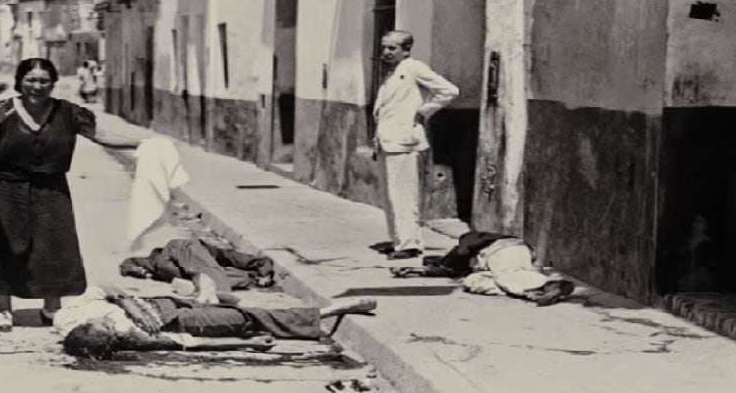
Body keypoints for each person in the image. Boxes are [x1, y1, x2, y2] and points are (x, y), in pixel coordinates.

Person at [0, 58, 142, 332]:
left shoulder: (68, 113)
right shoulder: (0, 108)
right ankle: (3, 309)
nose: (36, 86)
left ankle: (52, 305)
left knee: (54, 243)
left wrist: (143, 143)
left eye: (44, 81)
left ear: (53, 84)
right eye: (30, 80)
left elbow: (101, 135)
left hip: (50, 187)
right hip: (2, 186)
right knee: (2, 244)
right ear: (20, 81)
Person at [54, 284, 377, 359]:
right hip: (181, 321)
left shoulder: (67, 314)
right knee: (247, 320)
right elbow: (188, 344)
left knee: (236, 309)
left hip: (158, 302)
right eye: (111, 331)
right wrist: (244, 344)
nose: (113, 325)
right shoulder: (129, 336)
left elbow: (104, 287)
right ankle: (329, 312)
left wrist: (125, 302)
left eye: (105, 324)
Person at [371, 30, 459, 260]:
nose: (386, 52)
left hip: (404, 141)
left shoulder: (414, 68)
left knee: (404, 195)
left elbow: (449, 90)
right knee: (390, 195)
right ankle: (398, 241)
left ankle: (410, 244)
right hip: (386, 141)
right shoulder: (391, 74)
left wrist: (423, 111)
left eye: (392, 48)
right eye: (384, 48)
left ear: (406, 50)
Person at [391, 231, 575, 306]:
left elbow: (451, 263)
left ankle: (549, 285)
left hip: (502, 251)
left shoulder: (471, 241)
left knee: (509, 274)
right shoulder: (475, 256)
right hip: (516, 251)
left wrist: (437, 266)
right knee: (478, 282)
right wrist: (415, 271)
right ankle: (533, 291)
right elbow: (451, 268)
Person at [119, 238, 276, 292]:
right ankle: (207, 291)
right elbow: (127, 263)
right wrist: (136, 271)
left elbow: (262, 261)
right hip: (178, 249)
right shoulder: (214, 253)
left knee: (229, 279)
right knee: (214, 276)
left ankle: (207, 291)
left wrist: (264, 276)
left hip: (193, 271)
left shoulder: (227, 270)